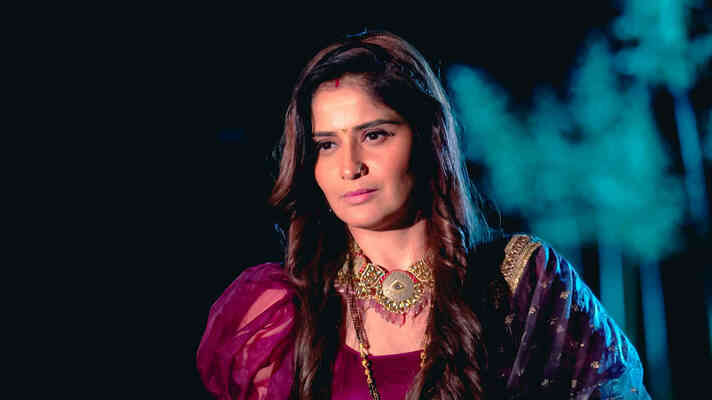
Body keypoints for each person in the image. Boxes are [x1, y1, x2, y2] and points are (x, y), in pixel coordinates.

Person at [197, 30, 650, 399]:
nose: (349, 167)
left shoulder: (521, 283)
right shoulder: (275, 315)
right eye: (327, 144)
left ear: (428, 139)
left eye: (374, 135)